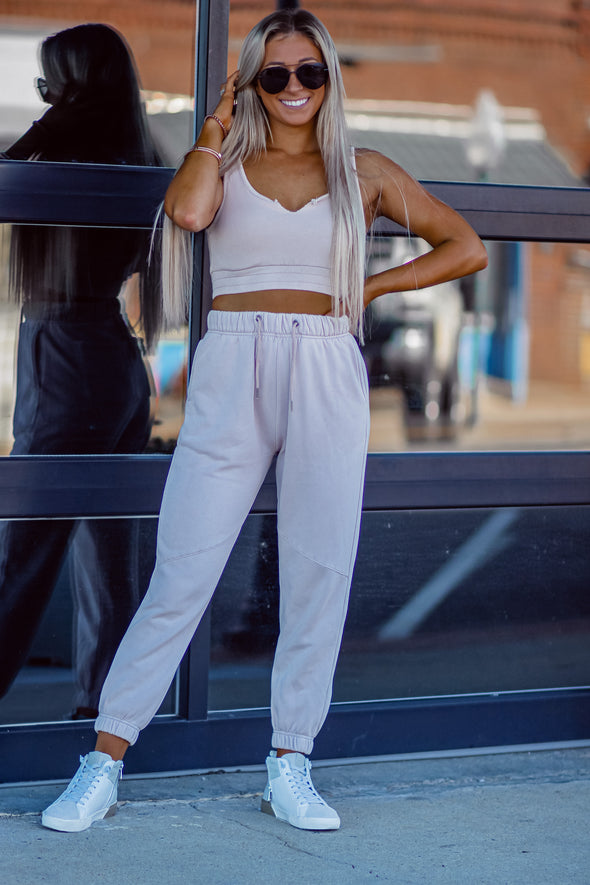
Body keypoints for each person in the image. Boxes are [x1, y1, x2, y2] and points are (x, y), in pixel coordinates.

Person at [41, 8, 487, 833]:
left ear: (329, 81)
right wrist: (214, 128)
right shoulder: (227, 161)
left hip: (325, 360)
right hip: (233, 361)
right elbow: (187, 213)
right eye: (274, 73)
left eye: (309, 73)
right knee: (182, 572)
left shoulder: (366, 170)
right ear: (252, 80)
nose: (293, 88)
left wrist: (372, 292)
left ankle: (290, 761)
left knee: (320, 572)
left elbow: (465, 246)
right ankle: (101, 762)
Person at [0, 23, 161, 717]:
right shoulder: (134, 153)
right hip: (114, 355)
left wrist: (47, 118)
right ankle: (103, 721)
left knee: (23, 554)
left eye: (49, 84)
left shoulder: (67, 152)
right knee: (108, 565)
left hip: (68, 356)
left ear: (71, 87)